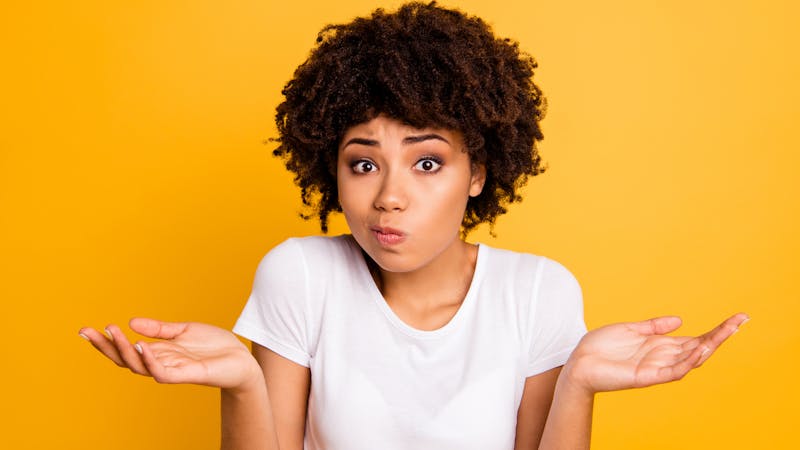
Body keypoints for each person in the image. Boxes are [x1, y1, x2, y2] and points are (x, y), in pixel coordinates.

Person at [78, 2, 749, 449]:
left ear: (479, 171)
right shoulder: (301, 275)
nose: (389, 197)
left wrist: (577, 382)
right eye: (363, 164)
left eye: (427, 161)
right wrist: (243, 384)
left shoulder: (539, 292)